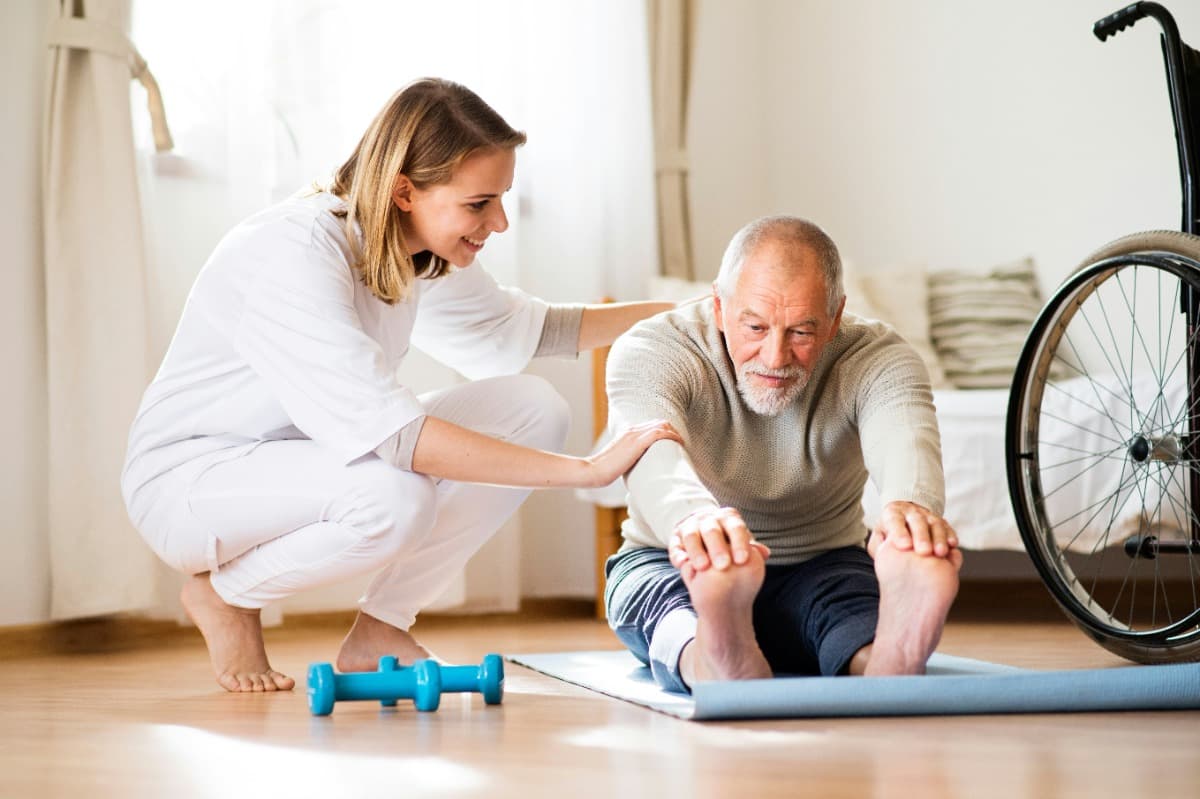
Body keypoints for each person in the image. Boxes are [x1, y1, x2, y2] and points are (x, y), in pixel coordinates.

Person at [121, 77, 680, 693]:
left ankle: (380, 628)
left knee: (532, 407)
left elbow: (525, 329)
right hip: (193, 478)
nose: (497, 222)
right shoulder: (294, 250)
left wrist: (695, 312)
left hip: (301, 457)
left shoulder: (410, 246)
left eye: (501, 200)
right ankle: (226, 596)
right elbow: (393, 436)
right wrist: (586, 471)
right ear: (404, 190)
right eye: (478, 204)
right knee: (395, 499)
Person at [603, 215, 963, 693]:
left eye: (801, 332)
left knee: (847, 610)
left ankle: (888, 662)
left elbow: (906, 437)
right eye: (754, 326)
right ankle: (711, 656)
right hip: (674, 561)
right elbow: (653, 457)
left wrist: (909, 513)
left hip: (823, 564)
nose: (774, 357)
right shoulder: (652, 349)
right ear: (718, 306)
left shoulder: (879, 357)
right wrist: (697, 526)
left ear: (835, 317)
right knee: (667, 611)